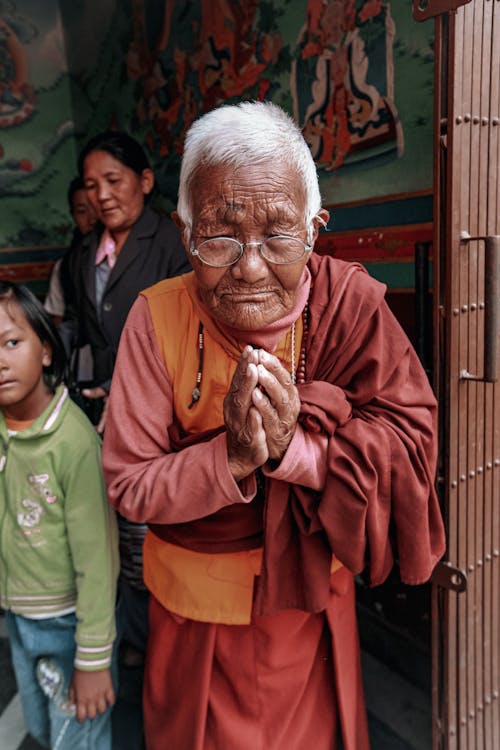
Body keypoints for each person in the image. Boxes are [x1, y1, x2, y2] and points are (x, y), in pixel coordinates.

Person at [102, 101, 446, 750]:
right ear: (183, 233)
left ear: (315, 230)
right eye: (220, 235)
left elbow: (411, 440)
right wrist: (231, 459)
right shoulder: (155, 320)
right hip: (195, 611)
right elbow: (130, 484)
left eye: (279, 234)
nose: (251, 265)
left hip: (312, 601)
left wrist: (296, 452)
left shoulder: (352, 305)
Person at [62, 129, 190, 748]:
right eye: (92, 185)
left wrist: (132, 390)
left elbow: (188, 331)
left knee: (147, 533)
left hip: (153, 415)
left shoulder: (170, 243)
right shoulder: (87, 249)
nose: (102, 194)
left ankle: (156, 648)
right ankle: (135, 642)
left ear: (144, 180)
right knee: (114, 529)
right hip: (99, 411)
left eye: (115, 180)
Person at [0, 281, 118, 750]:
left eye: (12, 342)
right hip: (20, 615)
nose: (0, 359)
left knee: (78, 740)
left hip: (69, 622)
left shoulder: (72, 443)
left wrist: (92, 660)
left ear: (46, 352)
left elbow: (97, 561)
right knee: (46, 732)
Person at [44, 176, 97, 327]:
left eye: (96, 208)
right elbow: (58, 319)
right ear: (73, 216)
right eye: (82, 211)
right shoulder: (64, 267)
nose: (92, 219)